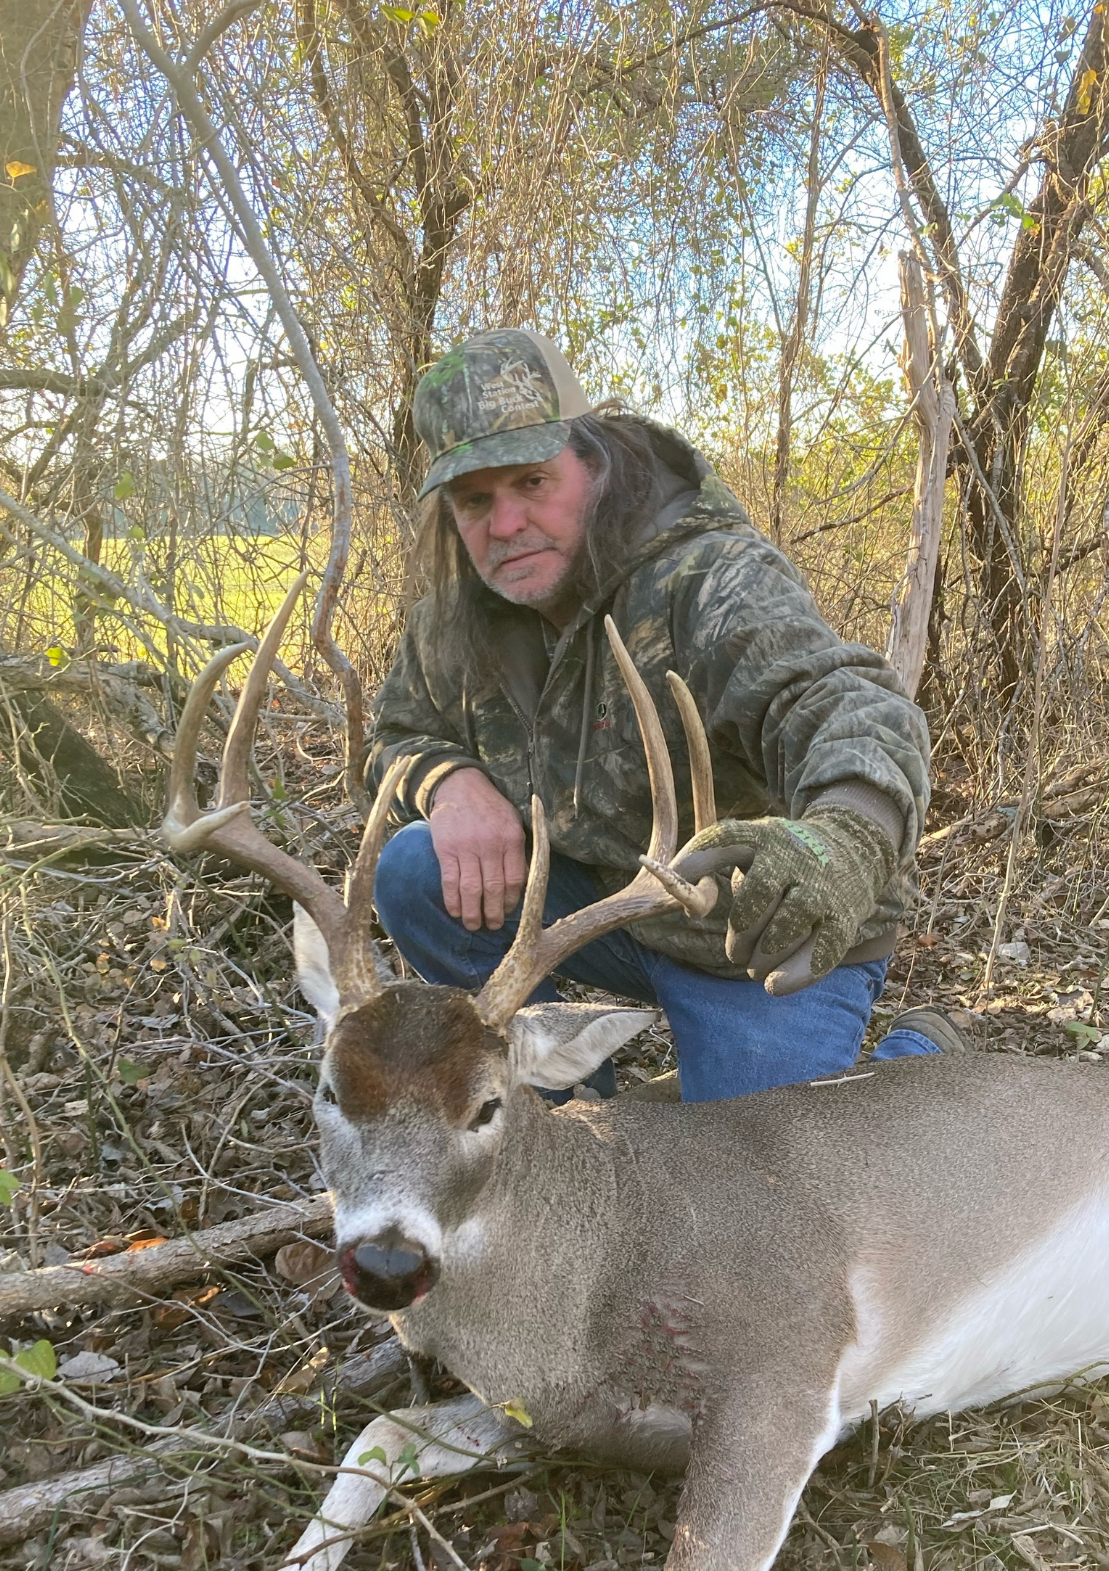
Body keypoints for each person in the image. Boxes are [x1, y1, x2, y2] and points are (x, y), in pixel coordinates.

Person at [364, 327, 963, 1102]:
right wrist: (450, 783)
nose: (505, 525)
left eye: (533, 484)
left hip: (756, 939)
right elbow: (397, 734)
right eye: (475, 500)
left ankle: (916, 1070)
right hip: (614, 907)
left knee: (762, 1202)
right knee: (416, 868)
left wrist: (842, 840)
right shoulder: (455, 620)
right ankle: (564, 1119)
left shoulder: (707, 576)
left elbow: (843, 702)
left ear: (592, 464)